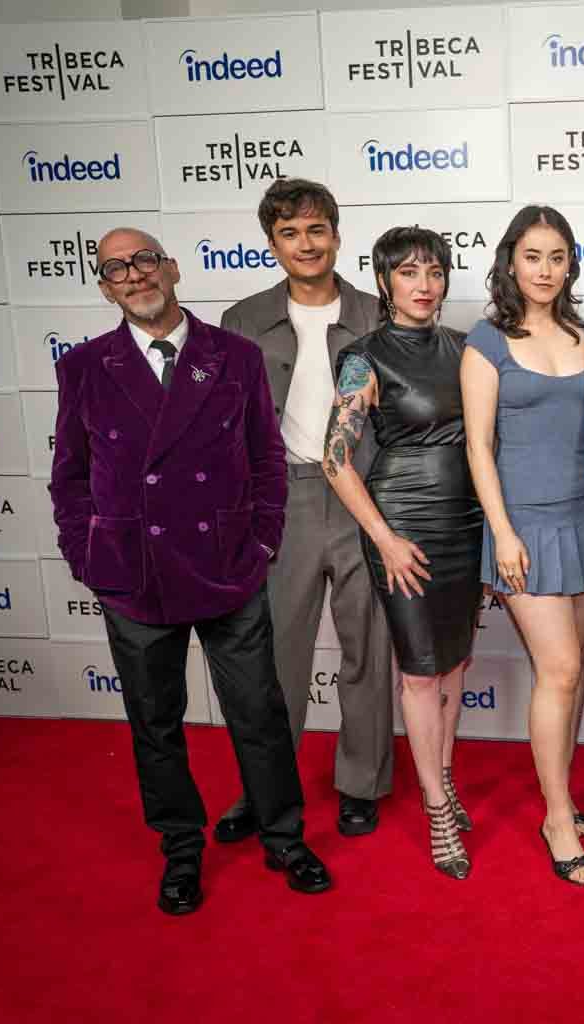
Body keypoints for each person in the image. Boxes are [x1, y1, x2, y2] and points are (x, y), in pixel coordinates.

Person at [48, 227, 331, 915]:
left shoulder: (233, 354)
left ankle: (283, 835)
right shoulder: (84, 366)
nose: (135, 275)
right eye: (116, 268)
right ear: (104, 286)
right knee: (155, 721)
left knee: (258, 712)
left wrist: (262, 541)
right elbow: (71, 477)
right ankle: (180, 848)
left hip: (227, 564)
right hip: (132, 574)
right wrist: (89, 557)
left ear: (172, 268)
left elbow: (267, 459)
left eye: (144, 260)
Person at [217, 178, 393, 843]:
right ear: (271, 244)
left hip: (364, 501)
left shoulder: (378, 313)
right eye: (289, 233)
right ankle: (265, 786)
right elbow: (225, 426)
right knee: (274, 658)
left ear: (337, 235)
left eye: (316, 229)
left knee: (367, 651)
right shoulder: (241, 319)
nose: (305, 243)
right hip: (282, 502)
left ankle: (362, 784)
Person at [323, 227, 482, 880]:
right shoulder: (363, 357)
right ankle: (437, 807)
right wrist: (384, 539)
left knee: (454, 665)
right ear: (385, 280)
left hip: (467, 519)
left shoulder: (468, 349)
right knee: (419, 671)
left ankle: (442, 775)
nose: (425, 285)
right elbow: (334, 460)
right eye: (410, 272)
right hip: (404, 524)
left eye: (436, 271)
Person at [461, 205, 584, 886]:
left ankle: (563, 794)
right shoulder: (486, 342)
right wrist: (504, 533)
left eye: (557, 256)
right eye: (532, 256)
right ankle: (554, 817)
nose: (544, 270)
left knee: (572, 672)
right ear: (510, 262)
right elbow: (478, 447)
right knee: (558, 672)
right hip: (526, 529)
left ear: (569, 263)